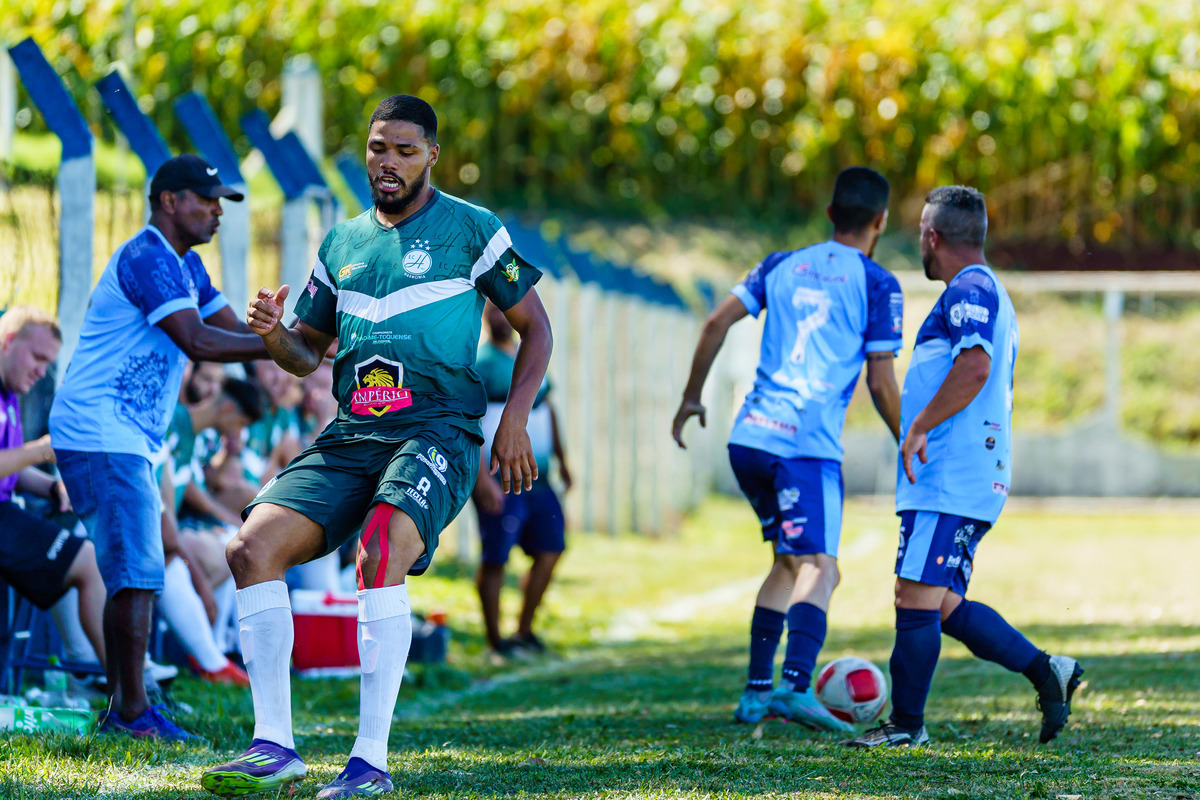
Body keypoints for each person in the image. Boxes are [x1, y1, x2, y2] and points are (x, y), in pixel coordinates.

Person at [201, 94, 551, 799]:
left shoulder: (472, 229)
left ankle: (369, 762)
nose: (388, 162)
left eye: (404, 150)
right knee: (250, 549)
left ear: (432, 157)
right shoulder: (341, 244)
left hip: (437, 428)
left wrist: (513, 416)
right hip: (352, 432)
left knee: (379, 548)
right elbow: (307, 353)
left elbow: (536, 328)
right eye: (377, 148)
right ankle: (273, 746)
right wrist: (273, 334)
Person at [841, 186, 1083, 749]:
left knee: (913, 598)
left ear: (933, 237)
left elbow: (975, 368)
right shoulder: (981, 288)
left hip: (951, 475)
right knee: (943, 605)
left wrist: (919, 425)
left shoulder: (969, 288)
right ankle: (1047, 670)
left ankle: (906, 726)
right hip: (962, 474)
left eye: (920, 235)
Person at [672, 167, 903, 732]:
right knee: (821, 567)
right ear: (880, 221)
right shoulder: (877, 282)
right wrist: (909, 440)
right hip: (804, 447)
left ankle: (756, 693)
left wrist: (691, 397)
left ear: (829, 215)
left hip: (750, 438)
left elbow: (715, 322)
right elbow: (880, 382)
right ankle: (796, 686)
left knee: (787, 562)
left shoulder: (778, 264)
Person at [49, 155, 269, 741]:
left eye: (221, 201)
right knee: (137, 571)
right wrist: (278, 349)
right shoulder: (147, 257)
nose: (217, 211)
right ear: (169, 200)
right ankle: (130, 713)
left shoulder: (187, 265)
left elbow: (238, 331)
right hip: (101, 431)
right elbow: (198, 340)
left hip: (125, 436)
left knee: (137, 569)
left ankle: (129, 707)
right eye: (206, 199)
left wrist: (297, 336)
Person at [0, 307, 107, 674]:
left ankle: (113, 675)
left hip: (9, 511)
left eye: (48, 363)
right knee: (89, 563)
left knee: (91, 549)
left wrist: (51, 487)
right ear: (9, 342)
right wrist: (43, 449)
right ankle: (123, 686)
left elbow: (9, 465)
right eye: (38, 357)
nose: (41, 371)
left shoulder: (10, 393)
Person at [472, 301, 571, 658]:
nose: (500, 316)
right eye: (493, 310)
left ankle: (524, 630)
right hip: (499, 478)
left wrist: (563, 460)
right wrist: (481, 480)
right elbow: (467, 422)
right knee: (496, 556)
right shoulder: (480, 364)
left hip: (539, 478)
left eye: (505, 309)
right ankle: (495, 642)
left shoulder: (531, 353)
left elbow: (548, 409)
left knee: (551, 549)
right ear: (483, 316)